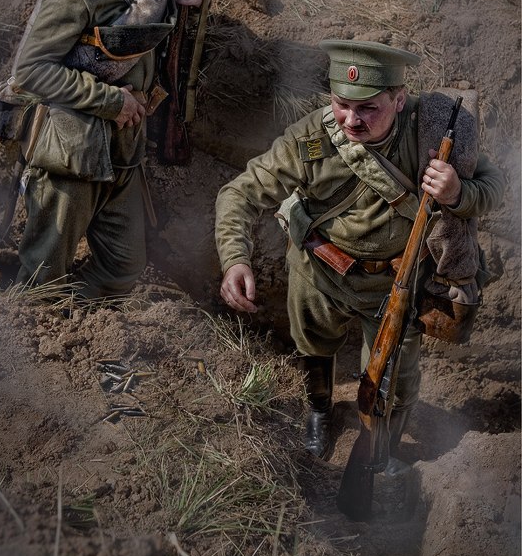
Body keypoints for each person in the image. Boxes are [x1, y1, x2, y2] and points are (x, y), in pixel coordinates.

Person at [215, 40, 504, 472]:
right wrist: (235, 259)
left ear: (399, 99)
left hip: (396, 286)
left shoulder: (433, 128)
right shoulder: (310, 138)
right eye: (341, 104)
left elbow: (495, 186)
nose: (351, 120)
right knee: (313, 345)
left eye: (368, 108)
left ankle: (383, 446)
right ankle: (319, 411)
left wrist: (458, 192)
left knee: (397, 381)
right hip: (320, 273)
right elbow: (240, 194)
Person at [10, 0, 204, 298]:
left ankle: (80, 326)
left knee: (123, 267)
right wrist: (110, 101)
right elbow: (31, 70)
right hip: (72, 149)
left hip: (123, 149)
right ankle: (32, 327)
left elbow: (154, 38)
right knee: (43, 275)